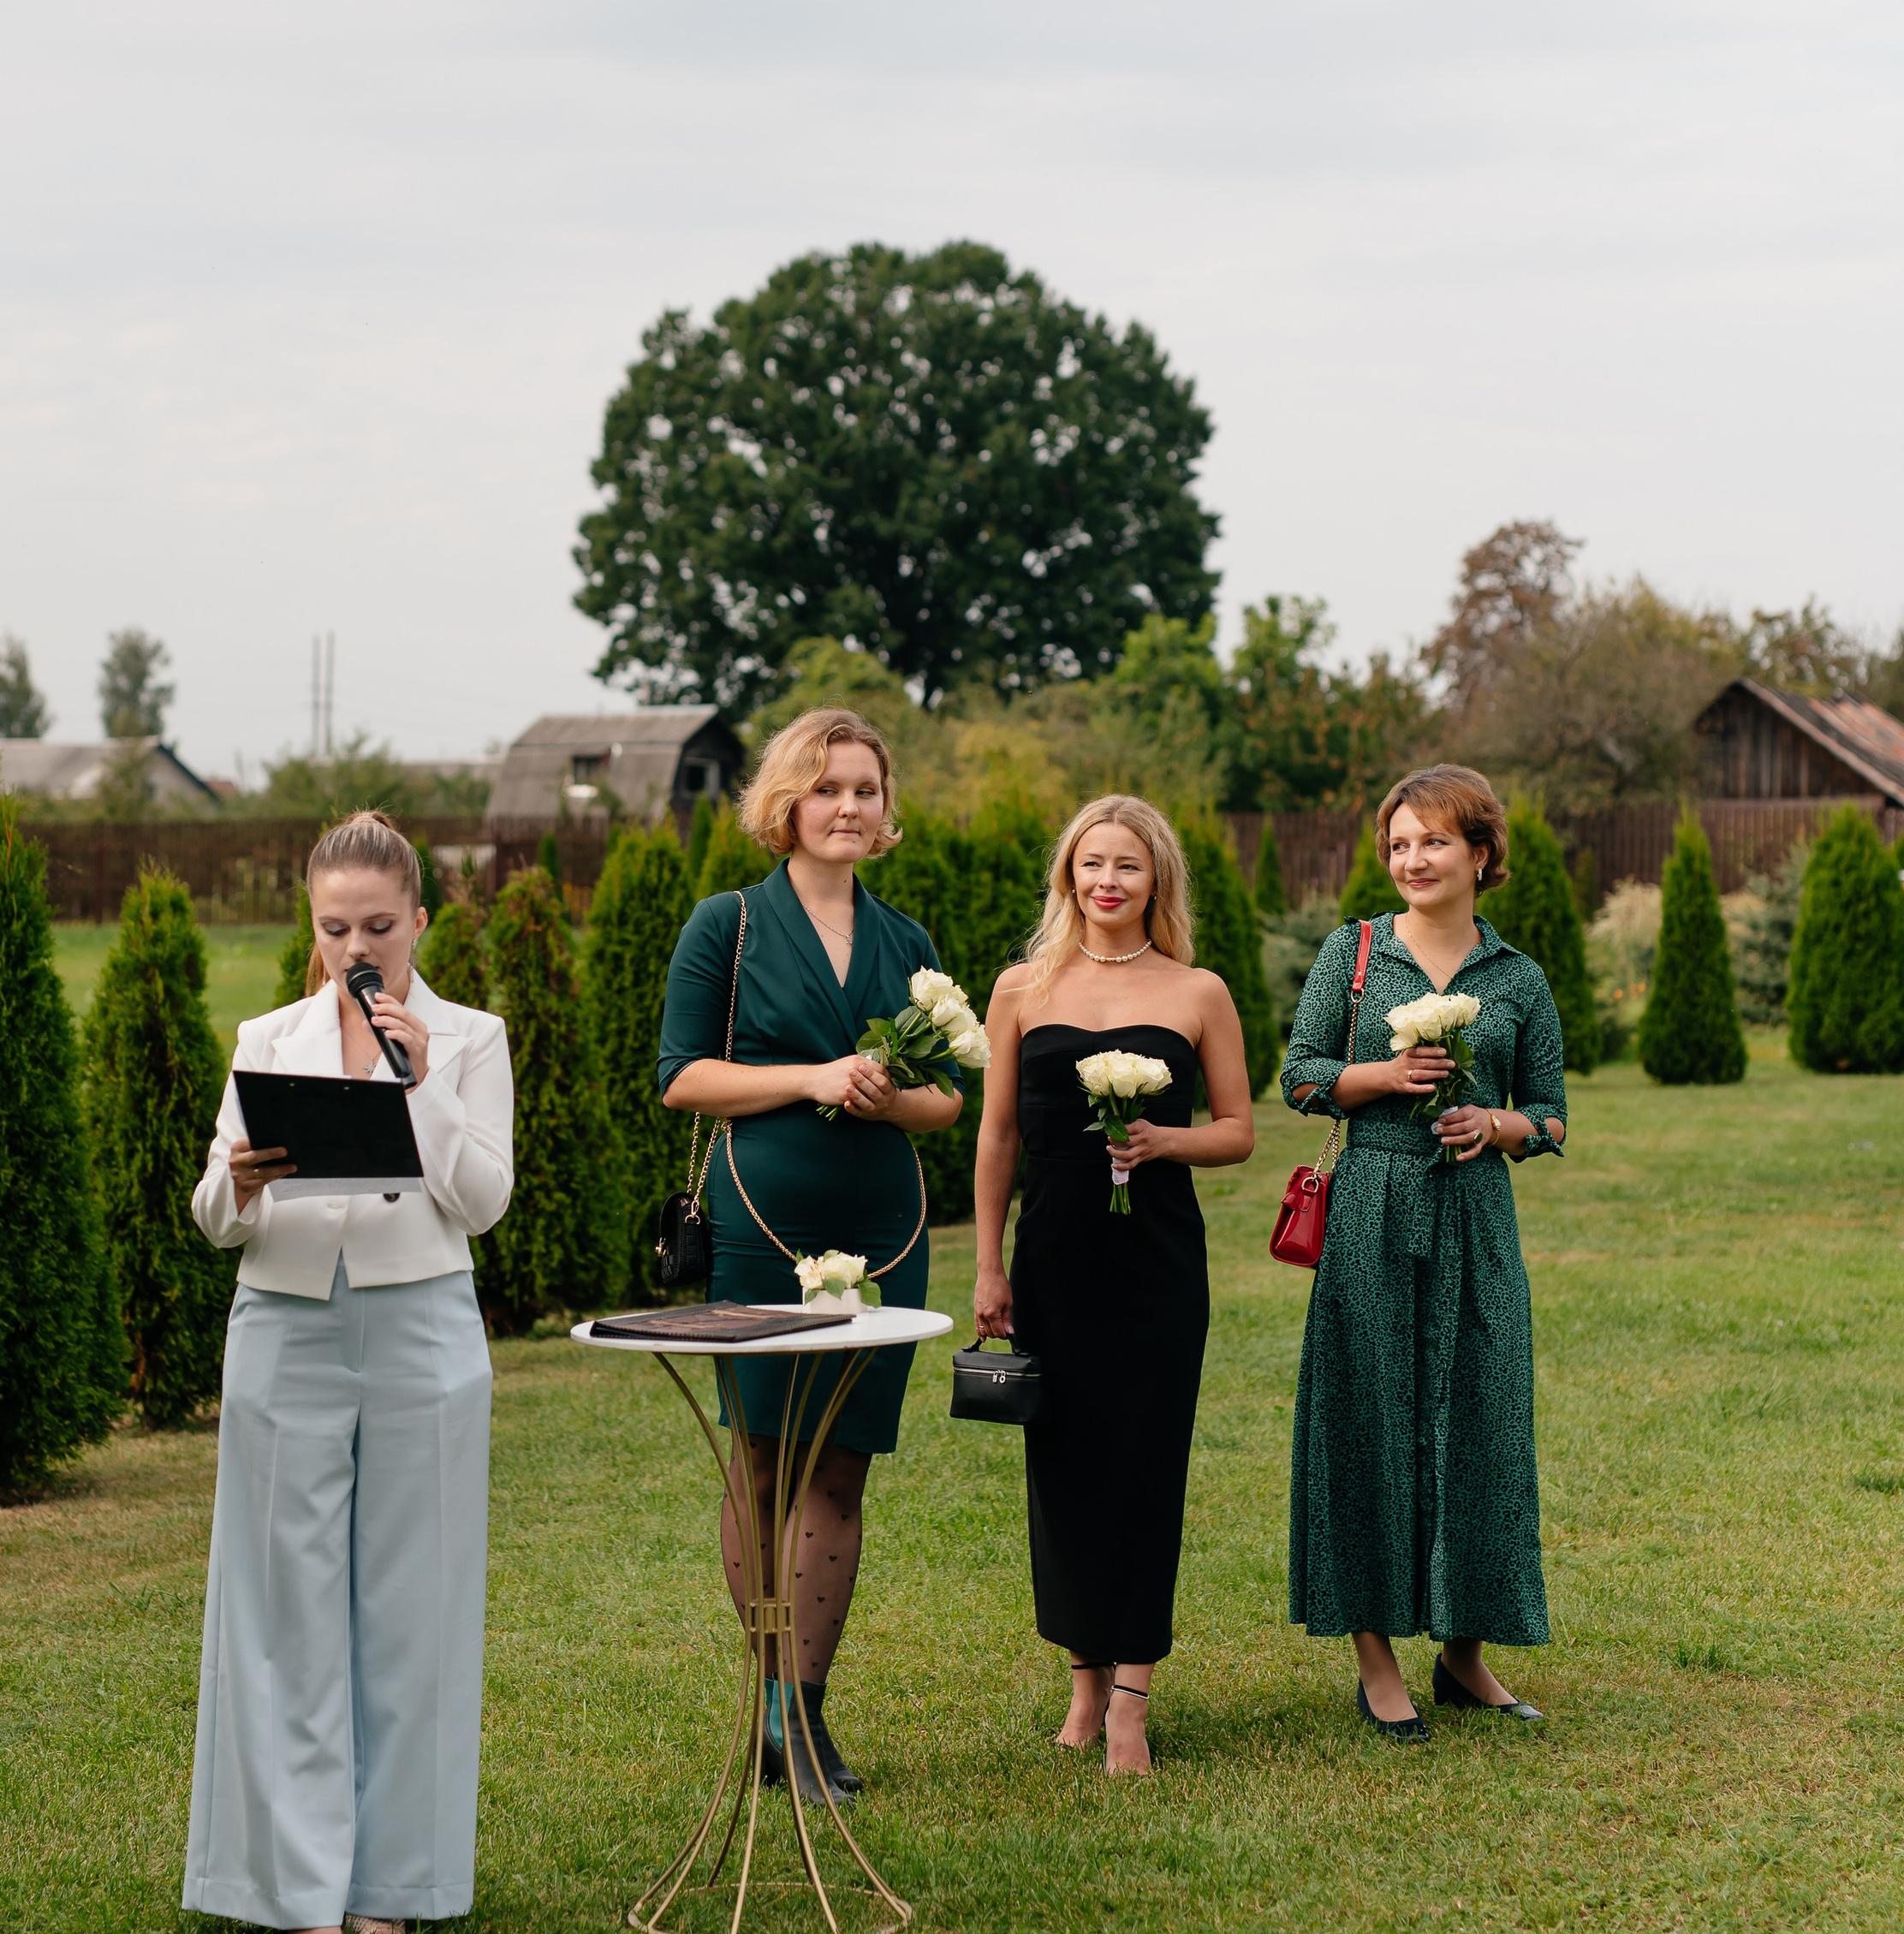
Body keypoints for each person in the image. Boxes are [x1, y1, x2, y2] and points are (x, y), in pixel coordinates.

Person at [184, 810, 512, 1934]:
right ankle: (299, 1890)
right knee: (287, 1610)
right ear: (310, 927)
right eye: (336, 929)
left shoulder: (473, 1036)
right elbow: (213, 1218)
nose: (358, 946)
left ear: (420, 919)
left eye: (379, 925)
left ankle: (396, 1876)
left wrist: (417, 1084)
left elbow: (482, 1203)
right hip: (283, 1325)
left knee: (413, 1605)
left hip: (422, 1325)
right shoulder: (264, 1035)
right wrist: (241, 1181)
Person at [657, 710, 962, 1802]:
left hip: (889, 1229)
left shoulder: (909, 941)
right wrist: (812, 1076)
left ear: (886, 810)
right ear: (785, 802)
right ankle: (775, 1709)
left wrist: (889, 1095)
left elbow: (948, 1101)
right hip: (759, 1218)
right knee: (766, 1461)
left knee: (841, 1465)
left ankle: (806, 1710)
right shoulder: (727, 922)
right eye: (826, 786)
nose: (847, 805)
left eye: (865, 789)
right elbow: (682, 1075)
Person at [1282, 765, 1566, 1744]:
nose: (1412, 858)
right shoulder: (1351, 951)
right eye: (1398, 843)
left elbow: (1553, 1110)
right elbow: (1300, 1073)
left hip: (1477, 1216)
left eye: (1433, 841)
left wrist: (1500, 1123)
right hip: (1371, 1205)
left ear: (1481, 853)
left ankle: (1464, 1656)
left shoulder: (1516, 976)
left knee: (1483, 1418)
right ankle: (1374, 1660)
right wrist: (1382, 1074)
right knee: (1366, 1417)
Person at [972, 795, 1254, 1775]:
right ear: (1068, 876)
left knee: (1143, 1464)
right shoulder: (1019, 987)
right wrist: (988, 1263)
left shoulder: (1199, 990)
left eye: (1127, 865)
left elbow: (1238, 1130)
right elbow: (997, 1133)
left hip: (1157, 1263)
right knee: (1061, 1470)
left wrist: (1163, 1139)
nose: (1107, 881)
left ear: (1155, 879)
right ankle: (1083, 1682)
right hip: (1051, 1254)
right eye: (1091, 863)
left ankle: (1131, 1695)